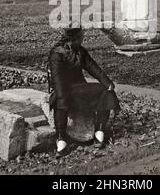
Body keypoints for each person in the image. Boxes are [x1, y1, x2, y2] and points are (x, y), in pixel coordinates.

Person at [47, 27, 120, 158]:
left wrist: (107, 83)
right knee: (60, 101)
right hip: (62, 88)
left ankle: (99, 131)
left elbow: (92, 67)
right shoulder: (56, 53)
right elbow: (57, 79)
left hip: (79, 87)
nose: (83, 38)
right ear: (73, 38)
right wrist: (62, 99)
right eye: (81, 36)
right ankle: (61, 140)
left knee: (105, 92)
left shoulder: (80, 51)